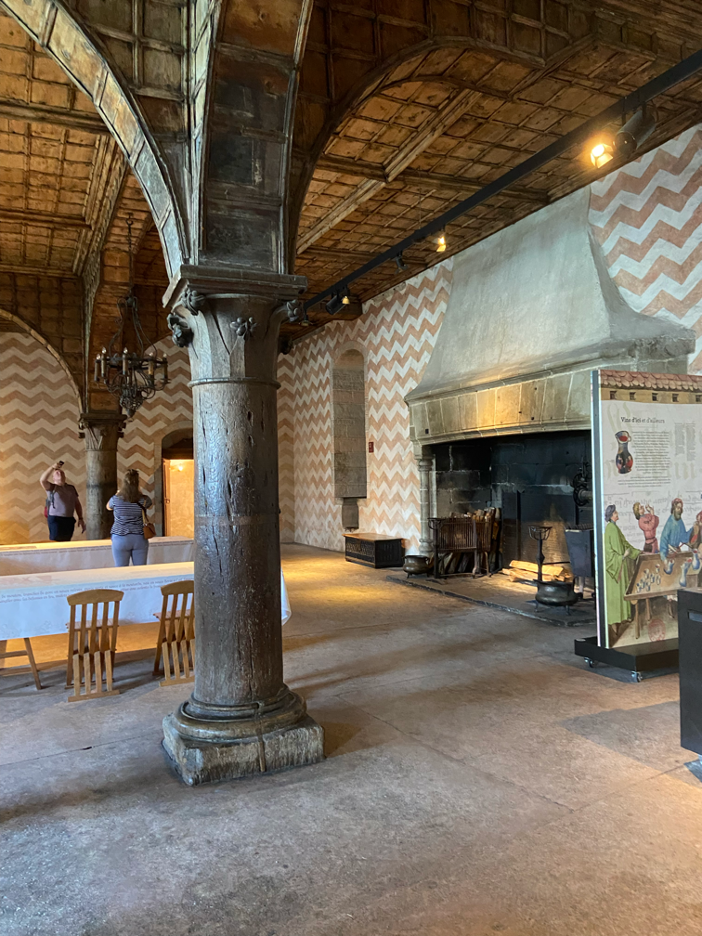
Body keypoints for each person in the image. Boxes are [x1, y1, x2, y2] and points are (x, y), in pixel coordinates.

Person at [604, 504, 640, 641]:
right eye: (615, 513)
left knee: (622, 594)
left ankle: (620, 623)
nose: (617, 514)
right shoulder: (609, 529)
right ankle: (614, 626)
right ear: (611, 515)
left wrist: (637, 552)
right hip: (615, 570)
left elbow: (625, 544)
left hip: (621, 567)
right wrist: (622, 557)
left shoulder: (615, 528)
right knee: (615, 597)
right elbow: (608, 553)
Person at [107, 468, 153, 567]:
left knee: (121, 570)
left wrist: (117, 493)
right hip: (139, 537)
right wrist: (138, 492)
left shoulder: (115, 499)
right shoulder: (144, 500)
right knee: (140, 570)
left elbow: (108, 507)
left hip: (120, 537)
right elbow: (150, 506)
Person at [39, 461, 86, 541]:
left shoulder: (71, 488)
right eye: (56, 473)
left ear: (65, 477)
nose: (59, 473)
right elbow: (42, 480)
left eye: (61, 473)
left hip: (69, 519)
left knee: (67, 541)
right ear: (53, 478)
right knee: (56, 541)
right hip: (56, 519)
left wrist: (80, 518)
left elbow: (77, 504)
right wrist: (52, 467)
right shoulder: (52, 487)